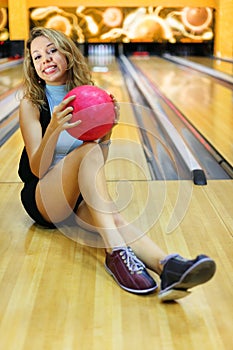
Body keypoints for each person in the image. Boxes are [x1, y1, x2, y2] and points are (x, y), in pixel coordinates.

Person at [18, 27, 216, 302]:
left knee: (111, 217)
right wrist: (52, 128)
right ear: (33, 66)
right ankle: (115, 255)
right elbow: (37, 169)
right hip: (43, 196)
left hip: (75, 197)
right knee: (88, 151)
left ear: (68, 53)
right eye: (37, 56)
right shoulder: (32, 104)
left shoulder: (87, 96)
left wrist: (107, 134)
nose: (45, 60)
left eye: (52, 50)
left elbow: (95, 165)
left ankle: (167, 265)